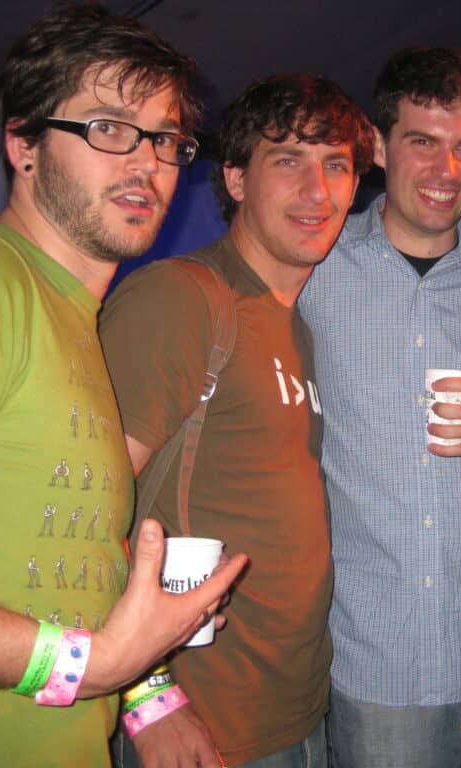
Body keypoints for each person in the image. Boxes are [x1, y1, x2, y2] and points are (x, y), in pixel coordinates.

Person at [0, 6, 246, 767]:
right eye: (108, 128)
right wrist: (87, 668)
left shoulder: (73, 319)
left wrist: (143, 686)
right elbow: (78, 650)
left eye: (166, 139)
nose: (147, 163)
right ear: (23, 143)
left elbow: (68, 561)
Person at [298, 46, 461, 767]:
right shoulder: (314, 269)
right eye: (422, 143)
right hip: (379, 663)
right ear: (379, 146)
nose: (447, 171)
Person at [100, 73, 373, 768]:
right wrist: (145, 696)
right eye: (288, 161)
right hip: (201, 718)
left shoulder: (306, 320)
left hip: (302, 705)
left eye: (336, 164)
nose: (319, 191)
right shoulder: (182, 300)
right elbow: (79, 516)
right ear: (237, 178)